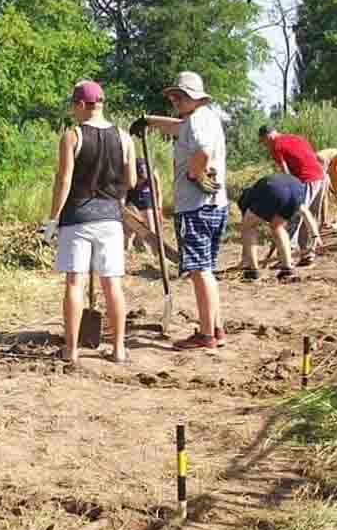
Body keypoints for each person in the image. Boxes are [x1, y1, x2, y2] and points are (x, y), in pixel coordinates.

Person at [41, 80, 136, 364]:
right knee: (113, 285)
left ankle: (71, 350)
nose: (73, 111)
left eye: (74, 106)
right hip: (110, 218)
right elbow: (130, 180)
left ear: (82, 105)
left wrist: (53, 218)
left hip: (78, 218)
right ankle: (118, 349)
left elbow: (64, 180)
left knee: (75, 283)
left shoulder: (73, 136)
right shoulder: (124, 137)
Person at [138, 71, 228, 352]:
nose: (174, 100)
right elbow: (179, 129)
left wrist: (195, 174)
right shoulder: (202, 118)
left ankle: (206, 334)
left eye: (178, 96)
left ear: (192, 97)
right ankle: (215, 326)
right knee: (206, 269)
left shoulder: (198, 121)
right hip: (213, 207)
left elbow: (201, 150)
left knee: (199, 271)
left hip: (196, 208)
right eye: (173, 96)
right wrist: (150, 122)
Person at [258, 126, 325, 266]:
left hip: (306, 179)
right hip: (321, 176)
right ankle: (308, 253)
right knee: (311, 216)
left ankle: (288, 255)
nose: (265, 146)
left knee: (294, 215)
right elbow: (315, 157)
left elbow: (286, 173)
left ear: (267, 137)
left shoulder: (276, 145)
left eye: (263, 142)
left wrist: (288, 194)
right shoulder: (296, 138)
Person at [237, 175, 324, 282]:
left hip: (273, 189)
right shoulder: (258, 191)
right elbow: (305, 213)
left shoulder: (247, 199)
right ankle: (287, 268)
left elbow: (248, 230)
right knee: (277, 227)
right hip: (296, 190)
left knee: (248, 226)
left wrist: (245, 259)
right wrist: (315, 235)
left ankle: (252, 269)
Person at [122, 158, 179, 263]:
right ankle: (126, 256)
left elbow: (158, 192)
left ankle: (157, 257)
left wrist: (159, 209)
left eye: (143, 180)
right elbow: (123, 196)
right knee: (129, 231)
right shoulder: (128, 174)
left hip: (147, 197)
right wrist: (127, 211)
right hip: (131, 198)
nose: (141, 182)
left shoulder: (152, 173)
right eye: (139, 180)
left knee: (152, 229)